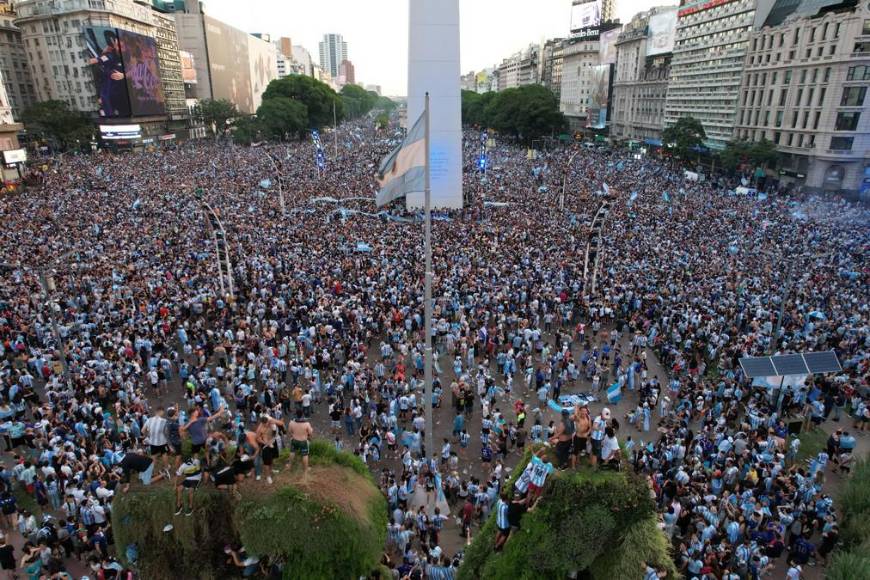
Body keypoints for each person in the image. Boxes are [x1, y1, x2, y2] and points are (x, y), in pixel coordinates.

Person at [287, 409, 314, 473]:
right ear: (302, 415)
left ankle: (289, 465)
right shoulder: (307, 424)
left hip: (294, 440)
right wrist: (311, 431)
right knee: (305, 455)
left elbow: (289, 431)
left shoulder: (291, 422)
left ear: (296, 414)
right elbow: (310, 433)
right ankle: (306, 469)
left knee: (292, 452)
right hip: (303, 441)